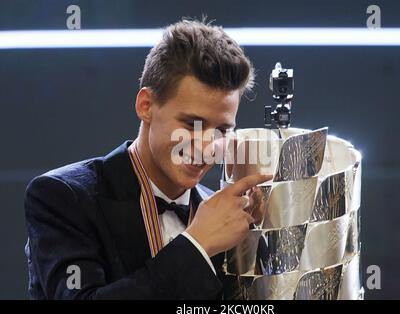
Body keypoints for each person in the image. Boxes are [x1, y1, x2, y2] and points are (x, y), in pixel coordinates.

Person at [24, 19, 272, 299]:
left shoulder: (225, 217)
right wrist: (197, 244)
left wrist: (261, 240)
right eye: (192, 123)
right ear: (146, 106)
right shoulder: (62, 197)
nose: (207, 145)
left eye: (222, 130)